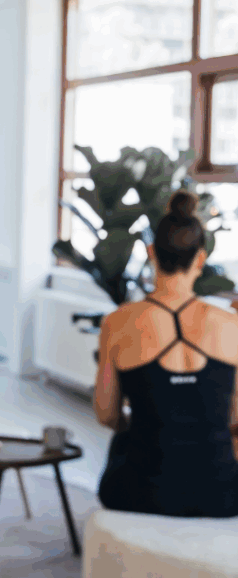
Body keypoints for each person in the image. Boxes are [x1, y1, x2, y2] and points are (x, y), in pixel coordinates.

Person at [94, 190, 238, 518]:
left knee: (123, 445)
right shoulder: (231, 325)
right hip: (222, 495)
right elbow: (236, 419)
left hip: (141, 492)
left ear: (151, 252)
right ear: (200, 259)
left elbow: (107, 414)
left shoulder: (118, 323)